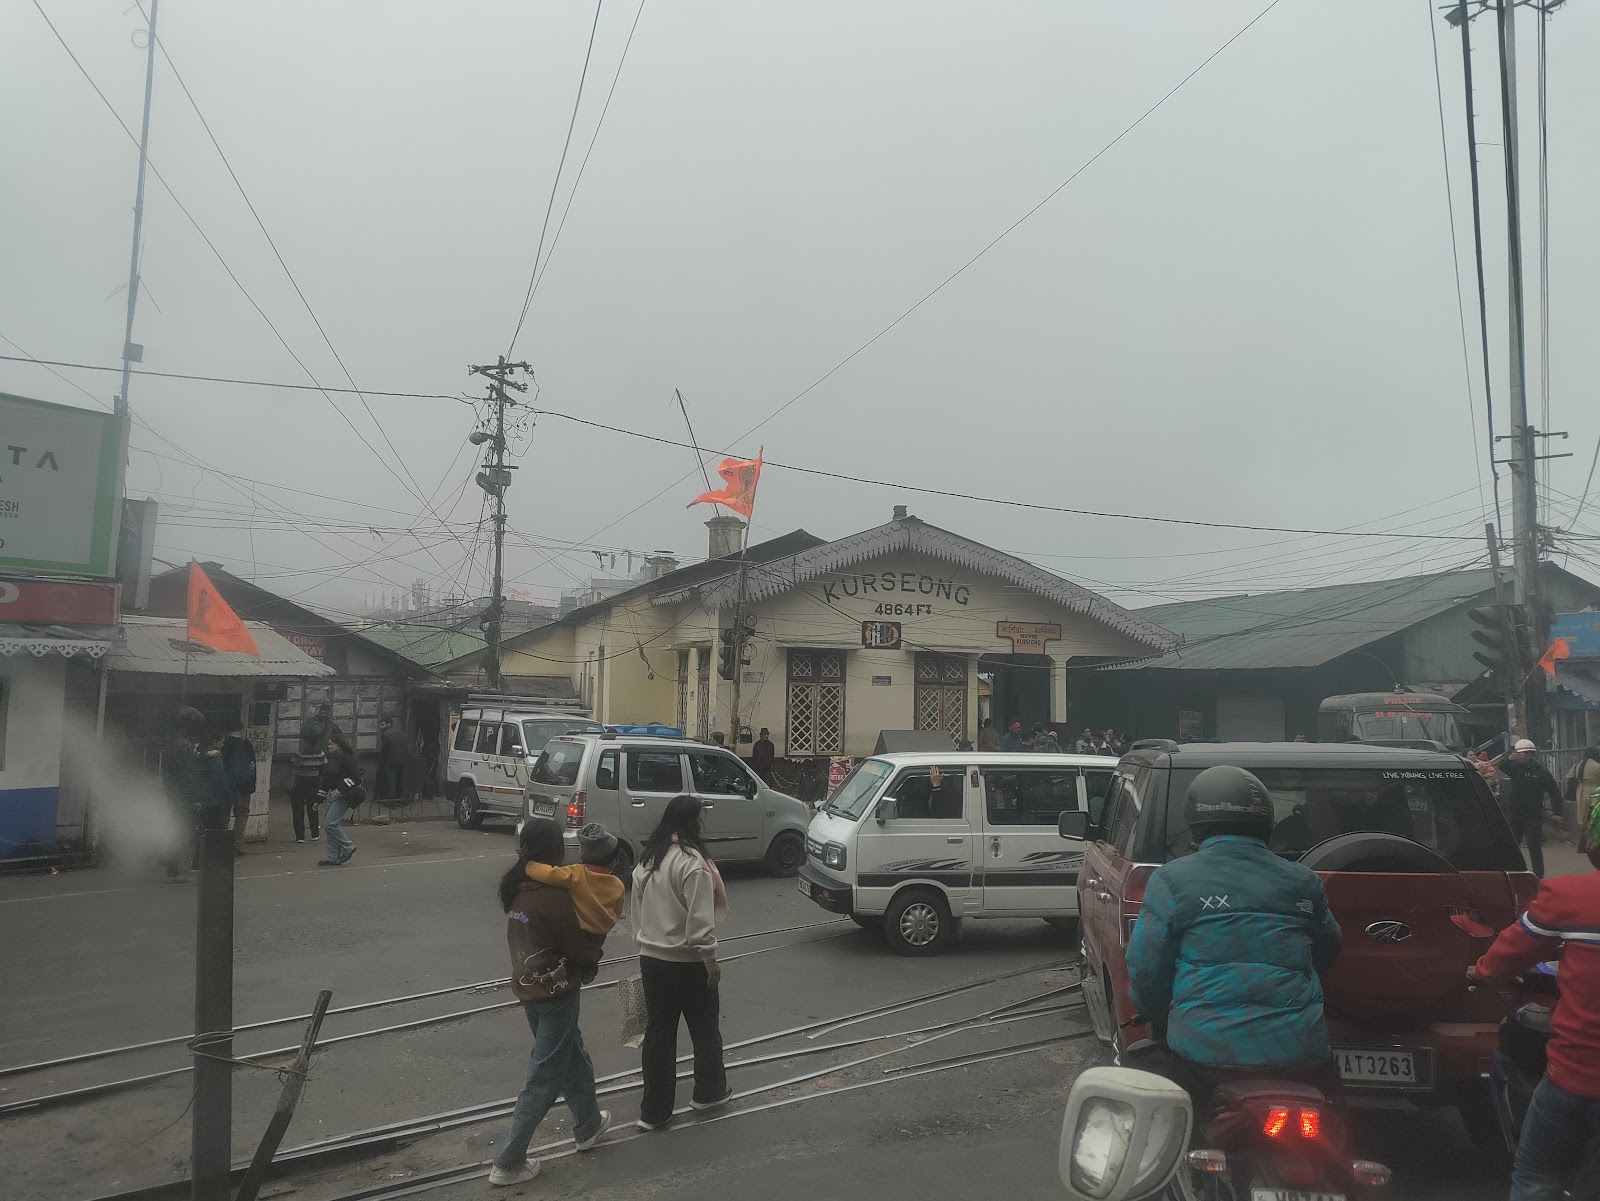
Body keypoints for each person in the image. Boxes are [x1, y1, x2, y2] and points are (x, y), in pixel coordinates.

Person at [1126, 765, 1342, 1106]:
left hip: (1204, 1056)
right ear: (1266, 825)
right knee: (1336, 1116)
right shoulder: (1303, 881)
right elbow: (1328, 949)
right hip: (1301, 1056)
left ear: (1196, 827)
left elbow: (1146, 969)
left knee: (1167, 1121)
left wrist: (1157, 1013)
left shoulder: (1171, 880)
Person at [489, 818, 611, 1186]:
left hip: (529, 990)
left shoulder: (518, 887)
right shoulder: (554, 895)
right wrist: (592, 960)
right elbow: (576, 946)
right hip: (556, 994)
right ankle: (509, 1162)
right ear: (557, 850)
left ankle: (588, 1124)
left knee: (571, 1055)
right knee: (544, 1077)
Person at [1468, 868, 1600, 1201]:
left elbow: (1505, 955)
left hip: (1574, 1077)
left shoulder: (1571, 895)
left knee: (1535, 1179)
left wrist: (1481, 970)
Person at [632, 795, 731, 1131]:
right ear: (692, 822)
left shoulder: (649, 857)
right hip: (688, 962)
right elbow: (699, 922)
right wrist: (710, 960)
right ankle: (709, 1093)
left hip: (651, 959)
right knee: (704, 1030)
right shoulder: (693, 863)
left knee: (658, 1035)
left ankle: (654, 1111)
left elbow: (637, 908)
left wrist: (646, 940)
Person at [523, 823, 627, 936]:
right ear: (613, 862)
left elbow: (549, 874)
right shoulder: (618, 885)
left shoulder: (576, 874)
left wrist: (530, 866)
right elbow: (617, 910)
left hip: (581, 931)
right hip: (602, 930)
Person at [1499, 739, 1562, 878]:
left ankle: (1538, 875)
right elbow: (1502, 766)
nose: (1524, 756)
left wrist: (1558, 812)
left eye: (1527, 753)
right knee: (1512, 843)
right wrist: (1509, 758)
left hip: (1533, 814)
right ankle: (1512, 872)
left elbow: (1554, 791)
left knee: (1534, 844)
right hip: (1515, 813)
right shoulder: (1514, 768)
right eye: (1520, 753)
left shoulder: (1541, 771)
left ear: (1532, 754)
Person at [290, 703, 340, 844]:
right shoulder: (312, 724)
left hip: (301, 781)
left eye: (326, 712)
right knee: (312, 806)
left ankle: (302, 835)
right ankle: (314, 833)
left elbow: (292, 766)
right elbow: (324, 768)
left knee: (302, 808)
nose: (324, 714)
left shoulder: (299, 754)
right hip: (315, 779)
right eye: (322, 711)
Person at [318, 734, 363, 867]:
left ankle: (348, 846)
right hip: (330, 794)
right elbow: (327, 778)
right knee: (331, 827)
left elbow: (355, 778)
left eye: (332, 744)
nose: (329, 746)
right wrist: (319, 798)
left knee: (330, 824)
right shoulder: (332, 758)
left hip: (344, 796)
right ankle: (332, 857)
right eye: (329, 744)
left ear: (340, 745)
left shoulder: (348, 759)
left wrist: (341, 789)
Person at [217, 716, 258, 855]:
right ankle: (238, 844)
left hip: (226, 785)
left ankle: (221, 845)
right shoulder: (246, 745)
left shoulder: (223, 745)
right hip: (243, 786)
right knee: (242, 814)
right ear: (241, 729)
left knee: (223, 816)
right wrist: (251, 785)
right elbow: (252, 766)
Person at [375, 717, 406, 803]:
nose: (381, 727)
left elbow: (384, 750)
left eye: (382, 725)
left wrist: (383, 760)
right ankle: (403, 802)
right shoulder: (401, 732)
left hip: (392, 761)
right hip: (404, 761)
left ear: (388, 724)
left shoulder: (385, 734)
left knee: (391, 782)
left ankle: (392, 803)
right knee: (402, 782)